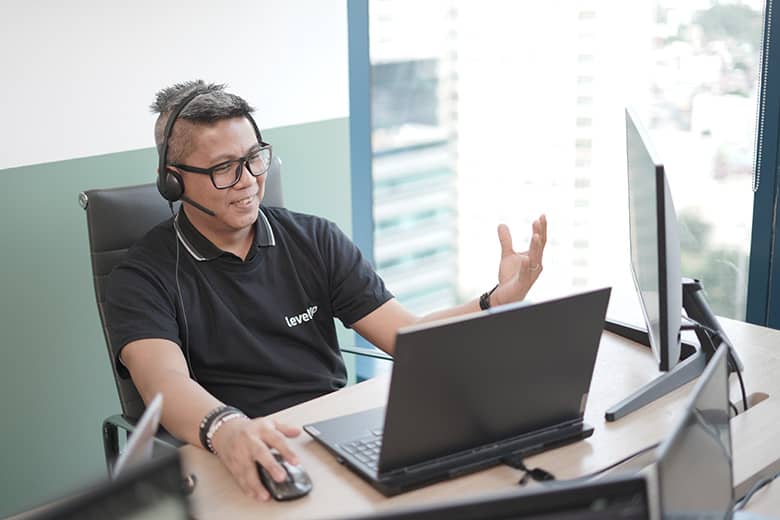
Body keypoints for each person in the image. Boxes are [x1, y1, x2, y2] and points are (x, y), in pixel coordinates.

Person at [105, 80, 547, 501]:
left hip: (331, 440)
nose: (247, 179)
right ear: (173, 180)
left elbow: (407, 336)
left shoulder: (315, 238)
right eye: (223, 168)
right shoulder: (141, 275)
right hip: (236, 451)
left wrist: (494, 301)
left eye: (254, 157)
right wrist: (226, 428)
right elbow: (164, 383)